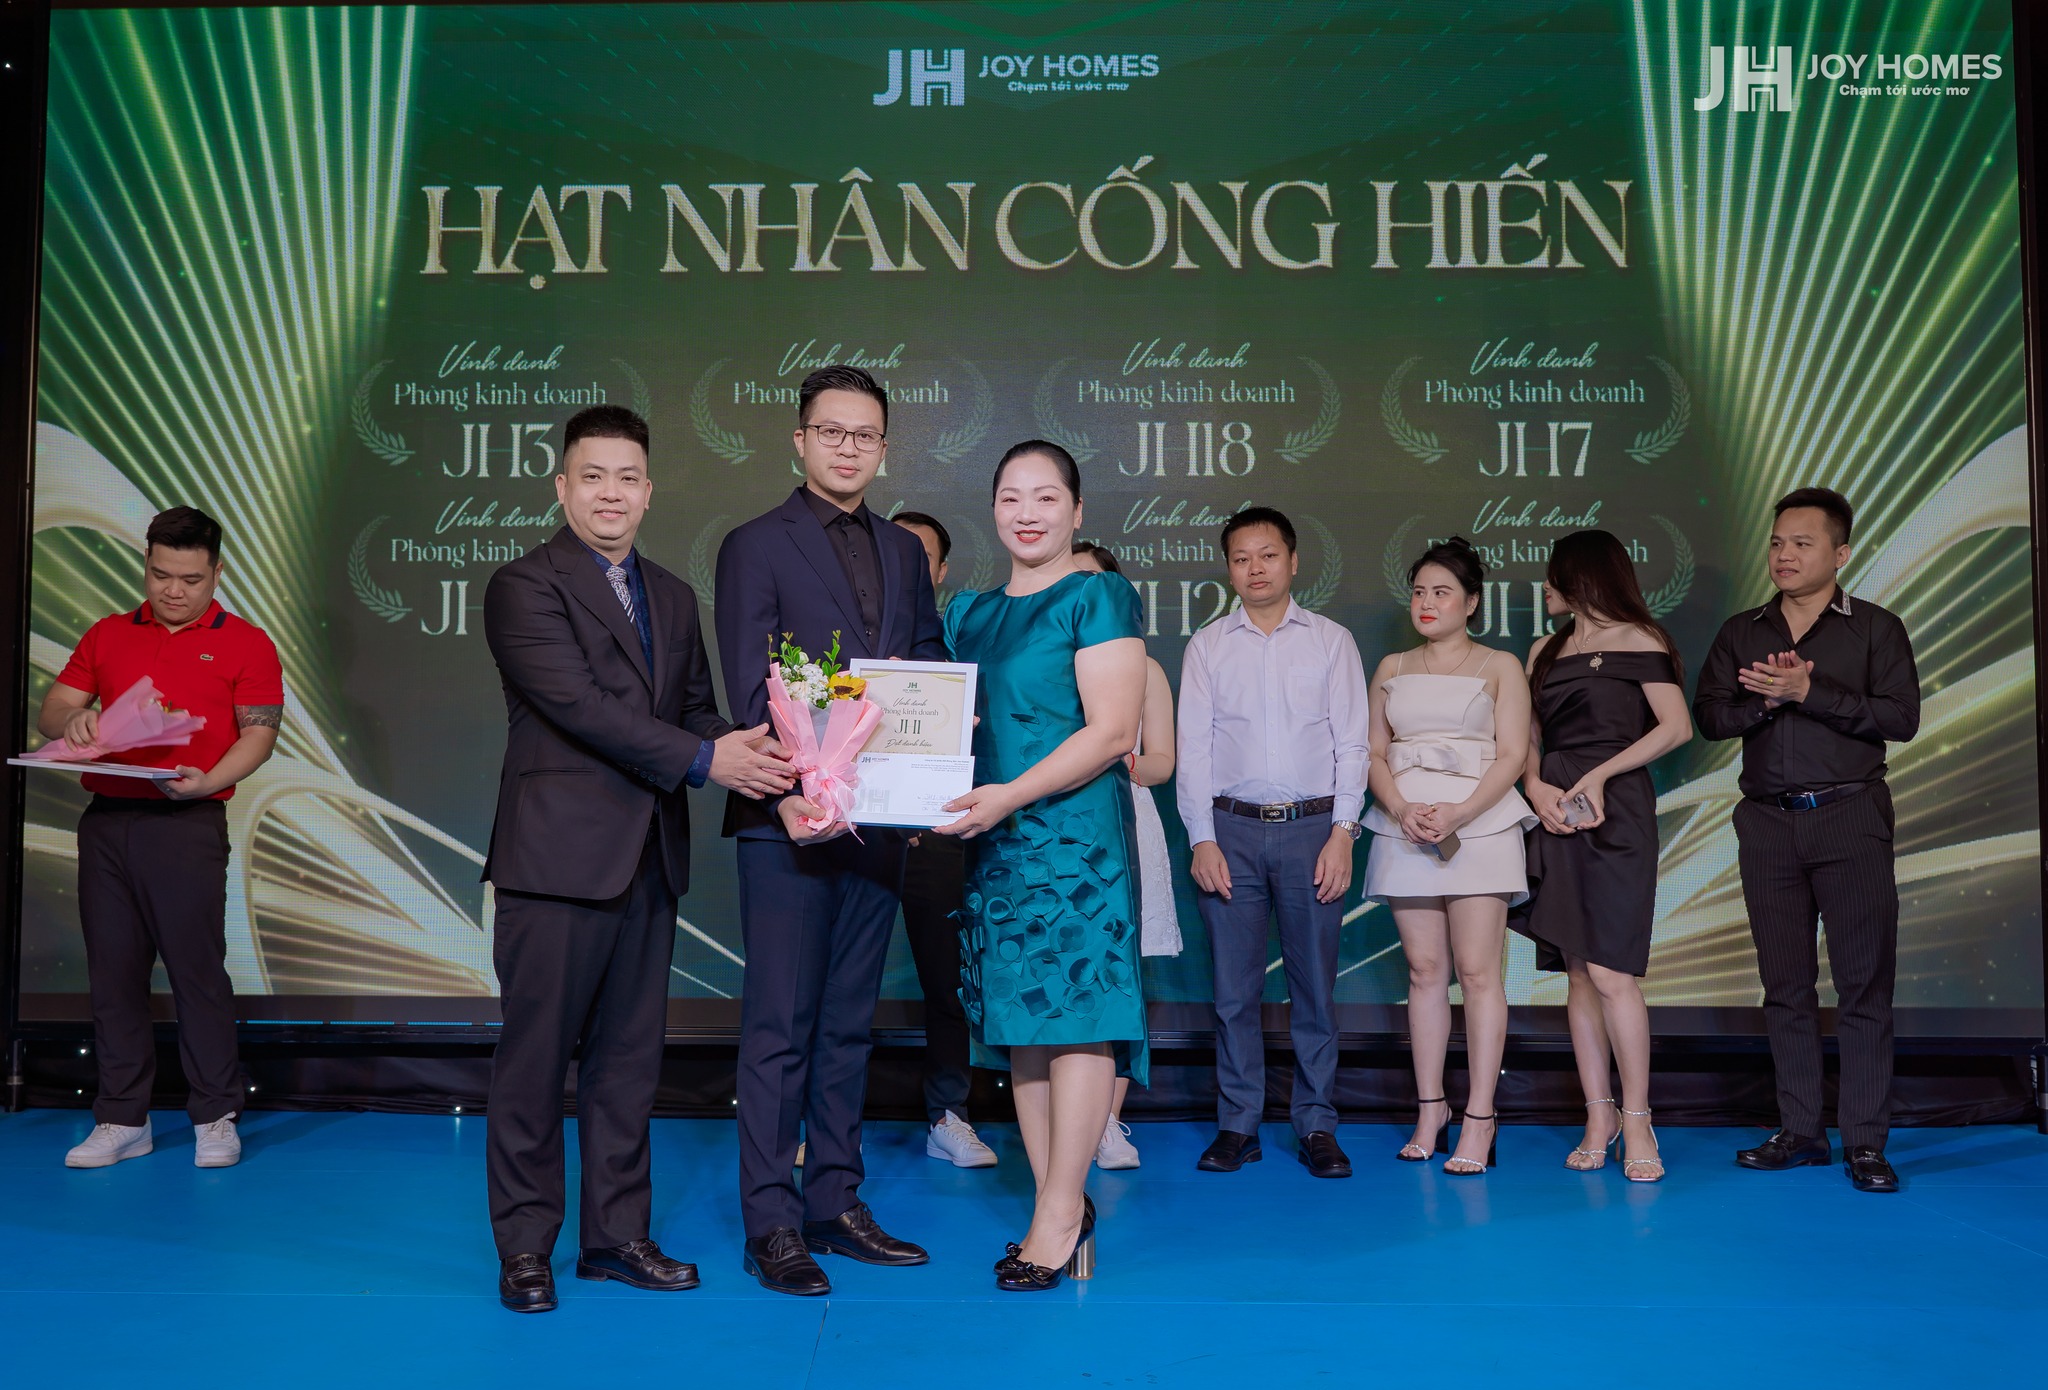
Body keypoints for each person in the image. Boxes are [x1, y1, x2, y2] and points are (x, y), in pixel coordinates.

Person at [481, 404, 792, 1314]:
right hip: (555, 863)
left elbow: (690, 708)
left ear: (649, 491)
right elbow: (581, 707)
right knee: (535, 1063)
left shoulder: (671, 593)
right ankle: (525, 1248)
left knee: (627, 1065)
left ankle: (615, 1237)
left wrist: (764, 748)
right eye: (592, 477)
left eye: (626, 478)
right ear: (562, 487)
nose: (610, 494)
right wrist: (707, 760)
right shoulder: (523, 585)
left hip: (650, 857)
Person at [715, 365, 947, 1296]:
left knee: (849, 1024)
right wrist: (789, 792)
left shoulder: (902, 551)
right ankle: (771, 1223)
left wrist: (931, 774)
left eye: (866, 435)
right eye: (832, 431)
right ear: (800, 440)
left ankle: (834, 1202)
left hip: (879, 826)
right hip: (790, 822)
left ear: (884, 448)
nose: (849, 447)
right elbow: (748, 682)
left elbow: (924, 667)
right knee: (780, 1026)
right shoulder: (753, 544)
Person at [934, 441, 1148, 1290]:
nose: (1028, 513)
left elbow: (1113, 731)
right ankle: (1052, 1206)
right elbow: (942, 724)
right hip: (994, 843)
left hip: (1073, 844)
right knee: (1022, 1028)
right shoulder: (968, 613)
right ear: (993, 509)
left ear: (1077, 510)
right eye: (1012, 498)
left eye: (1047, 497)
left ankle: (1061, 1213)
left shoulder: (1097, 596)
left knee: (1079, 1018)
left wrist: (1009, 796)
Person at [40, 506, 282, 1172]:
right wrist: (75, 719)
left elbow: (260, 734)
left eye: (191, 579)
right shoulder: (108, 632)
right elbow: (55, 708)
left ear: (217, 573)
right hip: (107, 822)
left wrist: (210, 782)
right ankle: (123, 1118)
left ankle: (215, 1115)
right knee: (113, 972)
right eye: (161, 574)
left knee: (196, 973)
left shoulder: (248, 643)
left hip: (187, 822)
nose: (173, 590)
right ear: (146, 564)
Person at [1693, 488, 1919, 1194]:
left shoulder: (1876, 628)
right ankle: (1800, 1131)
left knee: (1863, 984)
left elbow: (1901, 718)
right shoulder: (1742, 631)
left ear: (1841, 553)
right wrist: (1765, 701)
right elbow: (1710, 717)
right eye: (1776, 543)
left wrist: (1809, 693)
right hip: (1767, 822)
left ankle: (1865, 1142)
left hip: (1850, 816)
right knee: (1785, 985)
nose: (1784, 555)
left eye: (1802, 543)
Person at [1178, 507, 1369, 1180]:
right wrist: (1201, 838)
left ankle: (1317, 1125)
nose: (1254, 569)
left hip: (1315, 831)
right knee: (1233, 994)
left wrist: (1343, 833)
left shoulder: (1331, 641)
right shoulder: (1207, 646)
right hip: (1229, 831)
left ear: (1292, 561)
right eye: (1241, 558)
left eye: (1267, 555)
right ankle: (1238, 1125)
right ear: (1228, 569)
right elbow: (1193, 750)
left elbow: (1352, 744)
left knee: (1313, 989)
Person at [1513, 530, 1692, 1183]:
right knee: (1579, 973)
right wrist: (1535, 788)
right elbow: (1526, 737)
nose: (1546, 586)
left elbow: (1676, 727)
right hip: (1556, 810)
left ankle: (1639, 1118)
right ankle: (1600, 1116)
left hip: (1617, 811)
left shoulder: (1641, 639)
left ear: (1583, 576)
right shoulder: (1544, 649)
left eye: (1554, 574)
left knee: (1614, 972)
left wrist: (1601, 774)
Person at [1363, 537, 1535, 1175]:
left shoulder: (1501, 665)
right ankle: (1431, 1108)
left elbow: (1513, 754)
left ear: (1472, 602)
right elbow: (1372, 752)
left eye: (1441, 592)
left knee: (1479, 972)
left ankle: (1481, 1116)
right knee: (1424, 970)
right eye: (1418, 592)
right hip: (1404, 826)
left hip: (1480, 825)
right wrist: (1400, 807)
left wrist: (1461, 812)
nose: (1427, 603)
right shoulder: (1391, 666)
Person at [889, 509, 997, 1169]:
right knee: (832, 984)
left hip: (940, 836)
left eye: (919, 556)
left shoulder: (966, 641)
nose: (904, 564)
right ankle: (820, 1122)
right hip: (854, 837)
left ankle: (948, 1115)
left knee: (947, 983)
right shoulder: (846, 637)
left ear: (941, 571)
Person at [1071, 539, 1179, 1170]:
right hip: (1054, 823)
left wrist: (1126, 764)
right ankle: (1065, 1121)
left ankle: (1108, 1123)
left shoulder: (1145, 667)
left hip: (1123, 818)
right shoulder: (1041, 656)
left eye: (1096, 582)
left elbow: (1163, 760)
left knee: (1120, 973)